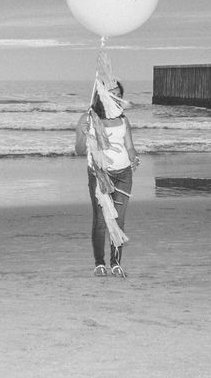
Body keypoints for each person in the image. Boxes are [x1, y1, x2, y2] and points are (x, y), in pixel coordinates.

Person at [75, 80, 139, 278]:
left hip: (124, 174)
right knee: (102, 221)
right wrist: (84, 135)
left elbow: (129, 146)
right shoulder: (88, 119)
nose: (116, 98)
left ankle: (116, 263)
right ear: (101, 95)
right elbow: (78, 151)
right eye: (112, 94)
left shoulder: (123, 120)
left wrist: (134, 157)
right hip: (100, 174)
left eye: (118, 94)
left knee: (119, 221)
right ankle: (99, 263)